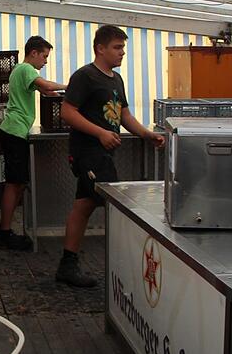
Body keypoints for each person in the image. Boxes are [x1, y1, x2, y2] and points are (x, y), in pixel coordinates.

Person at [55, 25, 165, 287]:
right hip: (88, 153)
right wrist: (101, 133)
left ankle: (67, 265)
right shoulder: (85, 76)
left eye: (123, 48)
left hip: (103, 153)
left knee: (84, 204)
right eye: (117, 47)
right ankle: (127, 267)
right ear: (100, 48)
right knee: (116, 205)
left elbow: (124, 115)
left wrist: (147, 135)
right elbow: (67, 112)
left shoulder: (116, 80)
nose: (122, 53)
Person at [0, 36, 67, 251]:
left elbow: (46, 91)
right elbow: (45, 85)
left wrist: (61, 97)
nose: (45, 61)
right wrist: (69, 86)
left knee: (18, 183)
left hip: (15, 131)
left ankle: (5, 230)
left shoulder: (21, 72)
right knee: (14, 183)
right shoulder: (26, 69)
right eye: (44, 56)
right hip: (15, 131)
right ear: (33, 53)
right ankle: (4, 233)